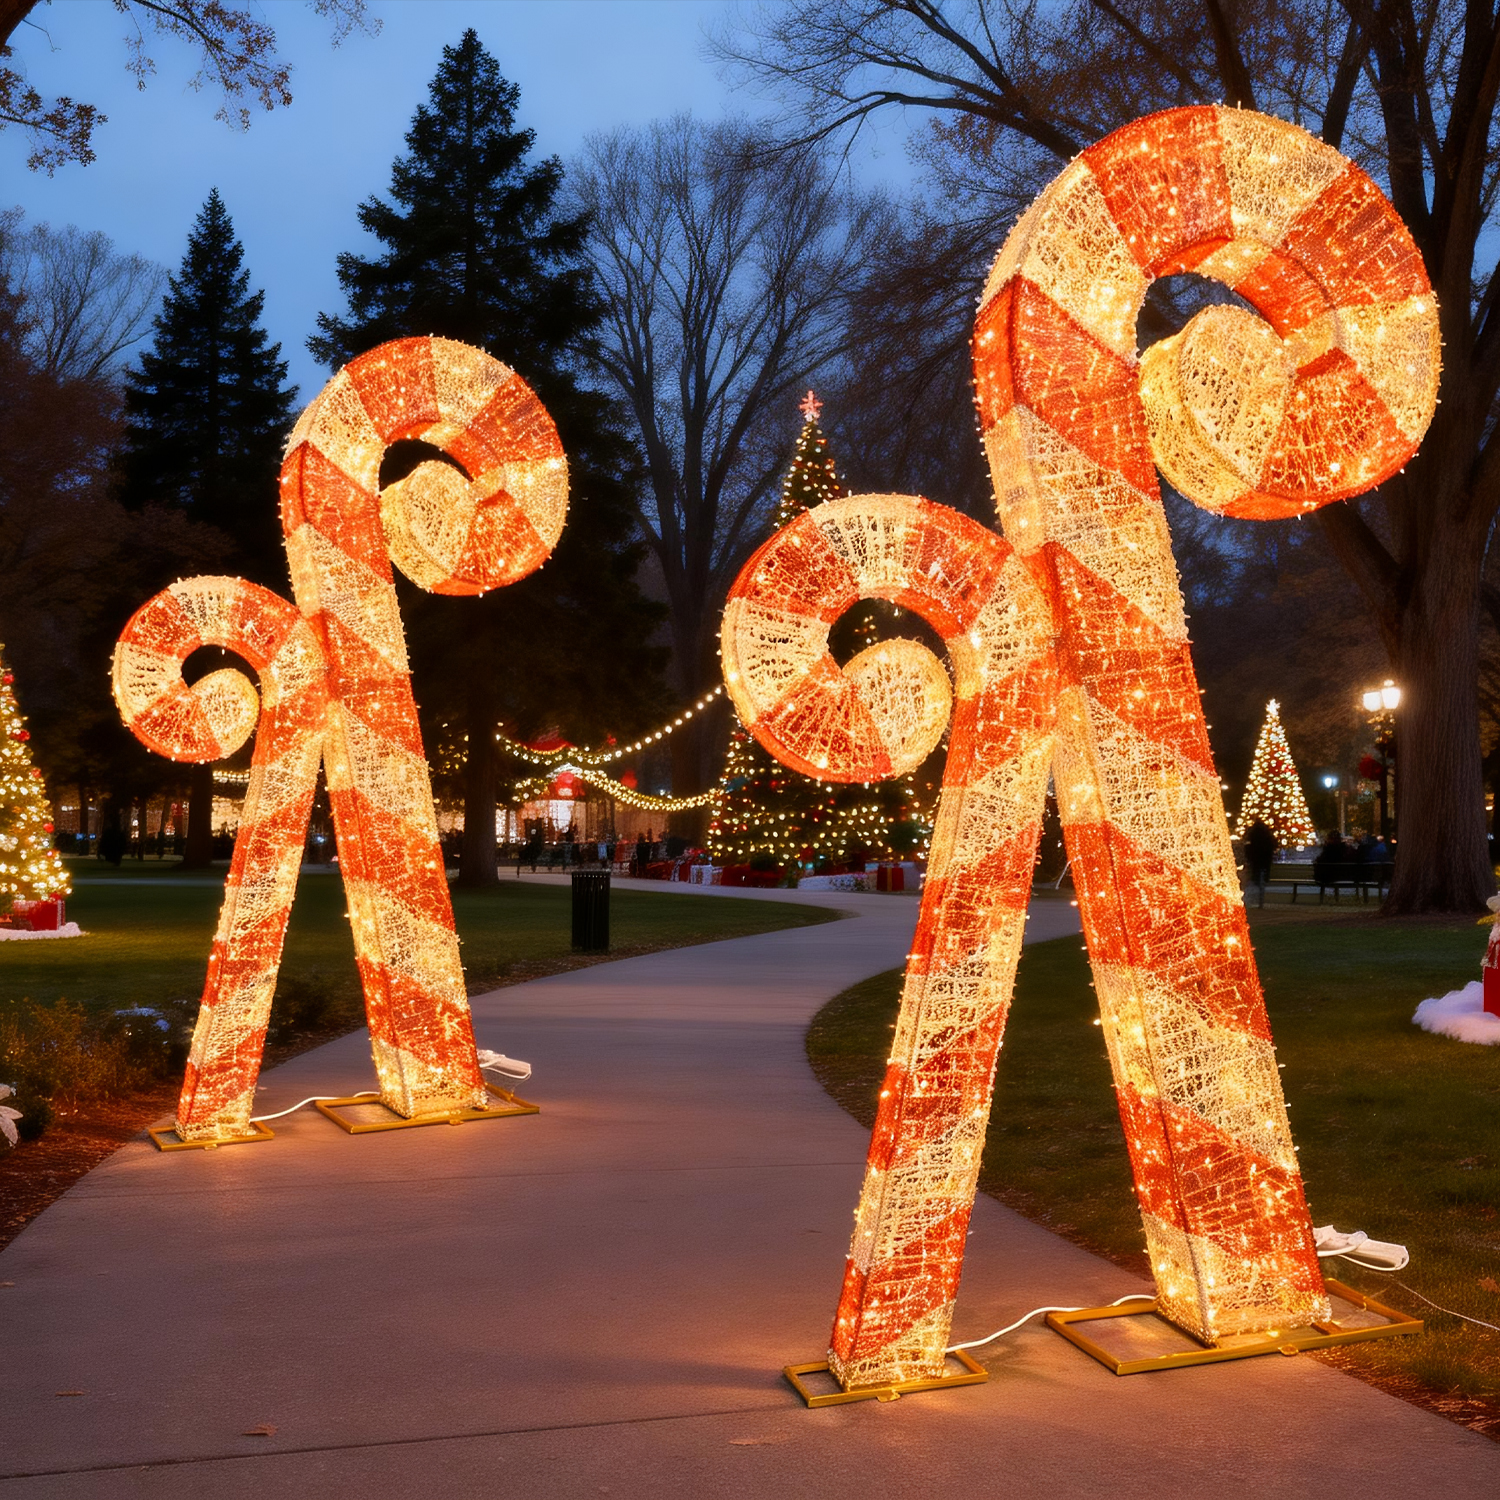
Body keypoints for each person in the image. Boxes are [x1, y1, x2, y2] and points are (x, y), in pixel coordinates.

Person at [1244, 818, 1276, 889]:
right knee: (1265, 867)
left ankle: (1256, 880)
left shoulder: (1253, 832)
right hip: (1266, 853)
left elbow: (1248, 841)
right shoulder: (1267, 832)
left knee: (1256, 868)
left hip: (1255, 854)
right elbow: (1272, 842)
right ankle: (1265, 879)